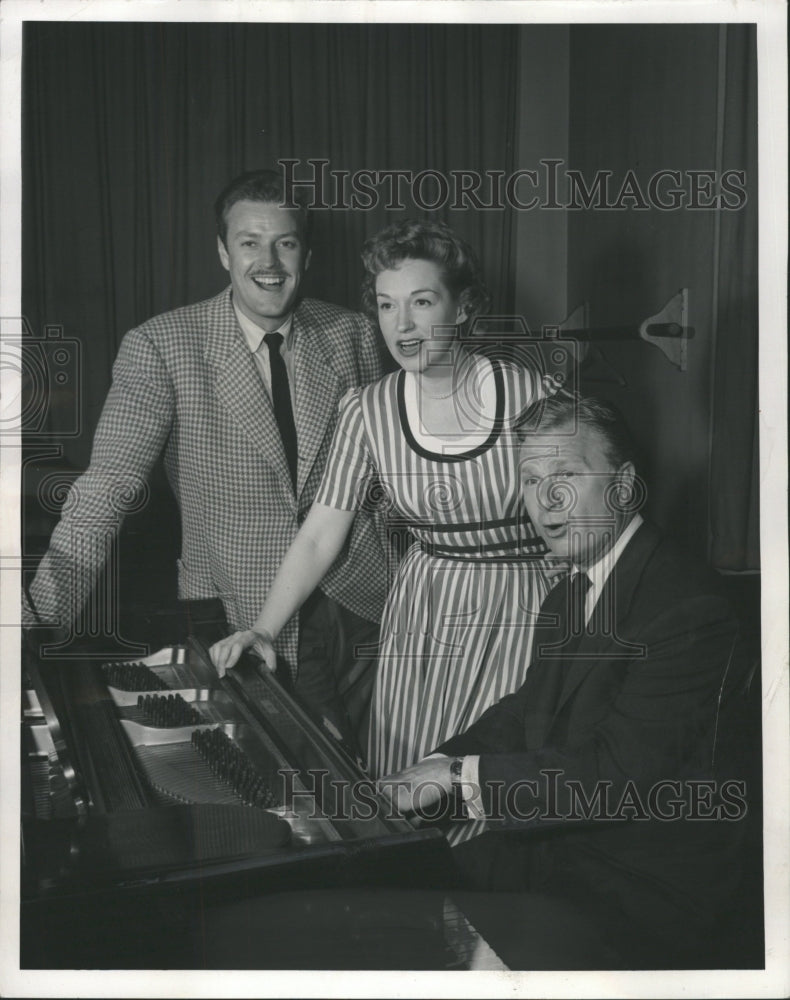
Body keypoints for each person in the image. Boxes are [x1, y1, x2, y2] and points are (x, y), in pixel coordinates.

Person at [382, 394, 756, 968]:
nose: (545, 499)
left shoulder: (688, 608)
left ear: (624, 486)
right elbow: (529, 708)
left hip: (642, 888)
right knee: (382, 893)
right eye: (531, 480)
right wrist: (430, 768)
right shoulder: (568, 590)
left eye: (567, 474)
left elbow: (616, 774)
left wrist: (459, 777)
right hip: (563, 849)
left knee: (422, 944)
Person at [22, 168, 388, 746]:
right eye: (249, 242)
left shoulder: (354, 334)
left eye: (285, 243)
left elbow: (387, 479)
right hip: (237, 609)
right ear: (223, 252)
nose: (269, 261)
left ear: (307, 254)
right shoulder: (162, 346)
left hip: (362, 601)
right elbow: (105, 492)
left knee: (376, 770)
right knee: (288, 788)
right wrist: (34, 624)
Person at [211, 219, 555, 789]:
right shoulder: (367, 410)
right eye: (387, 305)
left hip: (523, 609)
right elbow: (323, 531)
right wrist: (265, 630)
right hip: (422, 616)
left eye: (422, 302)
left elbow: (592, 524)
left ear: (464, 306)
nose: (403, 325)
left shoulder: (532, 397)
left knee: (491, 778)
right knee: (404, 783)